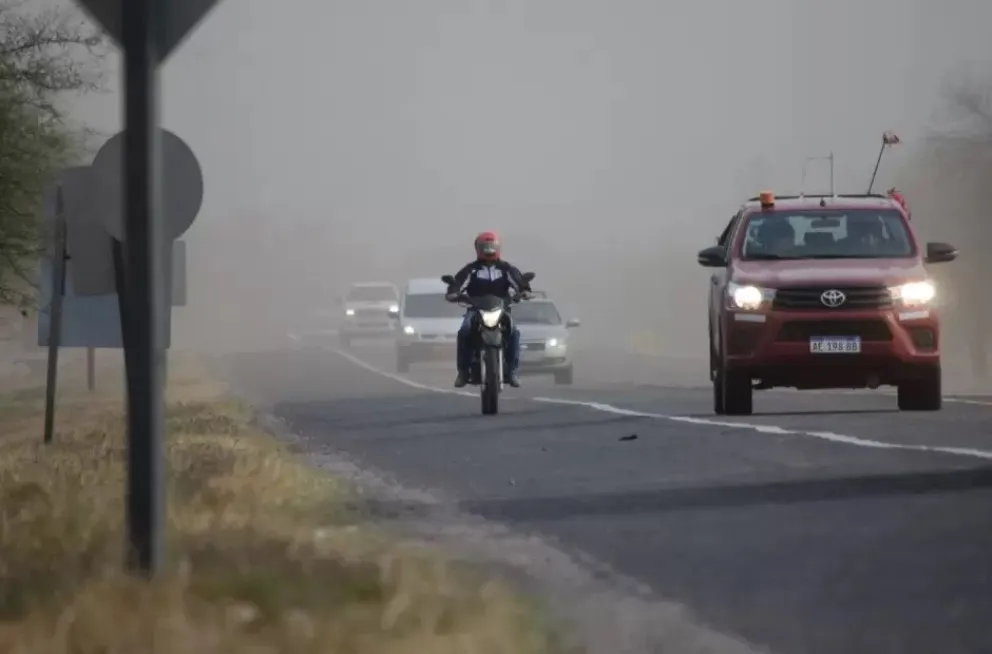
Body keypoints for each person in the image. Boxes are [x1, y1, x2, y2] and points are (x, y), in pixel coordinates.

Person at [445, 231, 533, 388]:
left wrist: (524, 290)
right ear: (477, 248)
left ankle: (512, 370)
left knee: (514, 332)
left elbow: (519, 282)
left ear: (498, 248)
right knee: (464, 331)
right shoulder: (470, 269)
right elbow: (458, 283)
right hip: (475, 309)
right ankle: (463, 372)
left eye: (492, 247)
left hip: (501, 309)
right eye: (485, 247)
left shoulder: (506, 268)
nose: (489, 250)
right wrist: (453, 292)